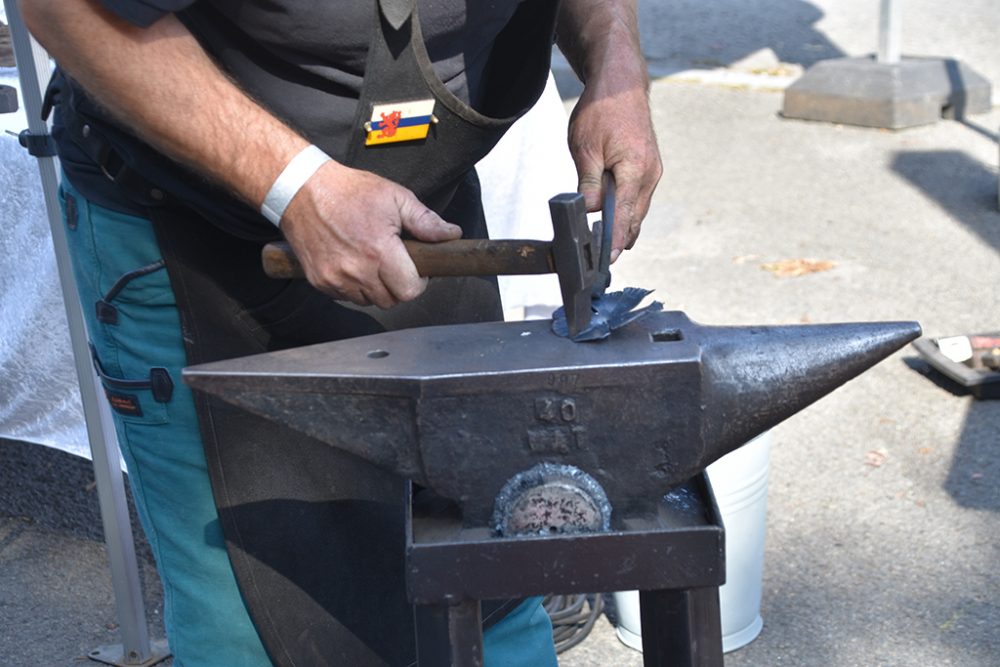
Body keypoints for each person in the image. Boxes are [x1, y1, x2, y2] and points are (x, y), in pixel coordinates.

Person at [21, 1, 662, 665]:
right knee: (255, 622)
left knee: (487, 586)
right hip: (191, 234)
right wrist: (294, 185)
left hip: (422, 219)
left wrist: (615, 66)